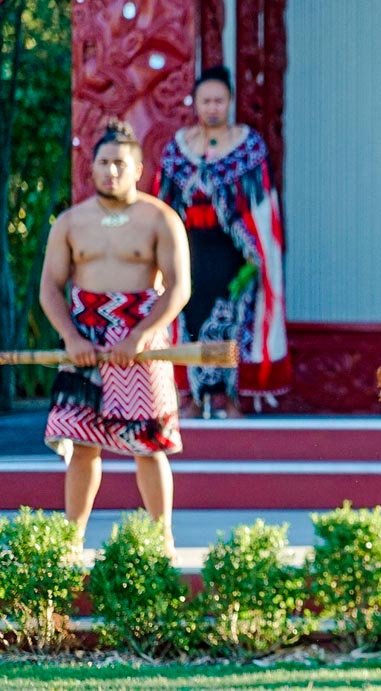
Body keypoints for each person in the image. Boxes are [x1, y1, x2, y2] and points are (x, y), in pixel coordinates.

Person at [40, 119, 190, 556]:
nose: (111, 172)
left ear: (138, 169)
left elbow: (179, 288)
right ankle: (71, 541)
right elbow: (50, 288)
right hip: (84, 338)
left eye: (120, 164)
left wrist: (140, 335)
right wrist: (71, 337)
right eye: (104, 163)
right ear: (92, 167)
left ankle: (162, 540)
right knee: (82, 444)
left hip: (141, 339)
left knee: (149, 444)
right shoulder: (70, 222)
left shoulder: (161, 218)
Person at [154, 64, 290, 419]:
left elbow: (263, 207)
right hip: (190, 251)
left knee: (232, 322)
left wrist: (256, 256)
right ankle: (193, 397)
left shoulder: (249, 146)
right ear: (195, 103)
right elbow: (163, 205)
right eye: (206, 101)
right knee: (190, 319)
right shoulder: (178, 149)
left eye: (219, 100)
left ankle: (230, 398)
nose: (212, 107)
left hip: (235, 254)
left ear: (229, 102)